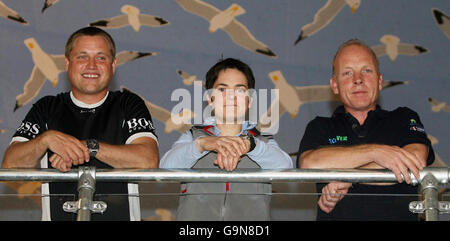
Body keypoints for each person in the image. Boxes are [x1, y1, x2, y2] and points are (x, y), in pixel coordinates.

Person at [2, 27, 159, 221]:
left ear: (113, 64)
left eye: (101, 58)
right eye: (82, 57)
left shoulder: (128, 104)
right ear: (68, 63)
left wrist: (88, 147)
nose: (91, 65)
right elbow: (10, 166)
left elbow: (148, 161)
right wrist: (46, 140)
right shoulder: (47, 107)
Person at [297, 39, 434, 221]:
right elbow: (309, 164)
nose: (358, 79)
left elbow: (415, 159)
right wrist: (376, 152)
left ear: (379, 81)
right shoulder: (320, 126)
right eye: (347, 73)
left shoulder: (403, 117)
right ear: (335, 85)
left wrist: (350, 179)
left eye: (366, 70)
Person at [160, 58, 293, 220]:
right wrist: (202, 145)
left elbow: (286, 168)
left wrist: (251, 146)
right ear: (209, 99)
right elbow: (165, 169)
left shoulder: (262, 140)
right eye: (222, 90)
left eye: (240, 90)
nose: (231, 97)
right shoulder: (193, 136)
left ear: (250, 99)